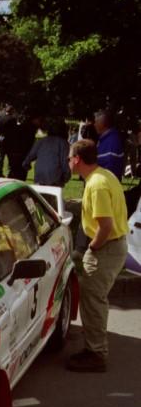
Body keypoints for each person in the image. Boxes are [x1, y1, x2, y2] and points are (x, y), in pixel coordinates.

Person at [66, 139, 128, 372]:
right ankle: (94, 348)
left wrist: (91, 248)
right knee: (94, 298)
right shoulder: (104, 176)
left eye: (69, 157)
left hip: (106, 248)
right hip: (112, 246)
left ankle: (96, 354)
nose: (68, 161)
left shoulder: (96, 185)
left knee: (93, 300)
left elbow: (105, 226)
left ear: (77, 159)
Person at [23, 118, 71, 187]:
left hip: (39, 175)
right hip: (54, 177)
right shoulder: (63, 143)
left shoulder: (41, 141)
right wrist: (66, 177)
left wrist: (26, 165)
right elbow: (64, 162)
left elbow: (28, 159)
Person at [94, 109, 124, 180]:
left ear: (102, 123)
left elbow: (110, 168)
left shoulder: (112, 142)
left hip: (106, 186)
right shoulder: (104, 140)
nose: (94, 124)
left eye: (96, 122)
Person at [0, 104, 16, 177]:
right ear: (12, 111)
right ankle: (10, 172)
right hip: (8, 139)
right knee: (10, 156)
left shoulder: (1, 118)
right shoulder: (12, 119)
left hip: (0, 137)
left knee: (0, 156)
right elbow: (14, 131)